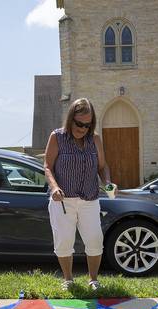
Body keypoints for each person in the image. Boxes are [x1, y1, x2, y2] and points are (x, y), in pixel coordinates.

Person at [43, 98, 115, 291]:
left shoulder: (95, 139)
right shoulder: (57, 137)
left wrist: (107, 181)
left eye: (87, 125)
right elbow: (47, 166)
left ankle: (93, 280)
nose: (83, 128)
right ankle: (68, 279)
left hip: (89, 199)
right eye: (79, 123)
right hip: (63, 200)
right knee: (64, 241)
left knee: (94, 239)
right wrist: (54, 187)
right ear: (70, 119)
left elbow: (102, 166)